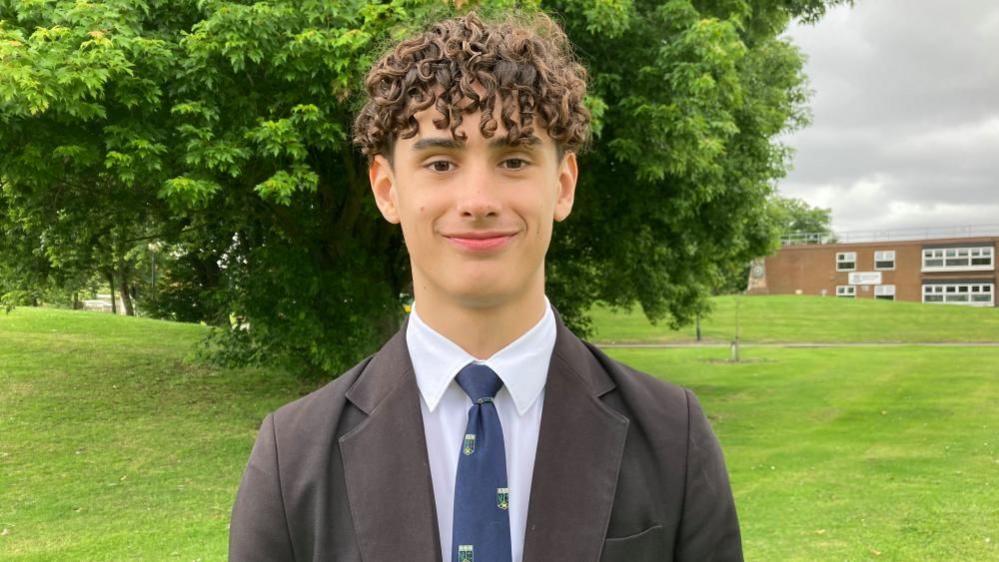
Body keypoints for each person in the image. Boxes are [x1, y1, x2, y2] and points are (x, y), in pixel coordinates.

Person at [229, 11, 742, 562]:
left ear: (563, 185)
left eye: (514, 159)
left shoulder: (672, 438)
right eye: (442, 163)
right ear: (387, 190)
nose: (478, 199)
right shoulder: (293, 454)